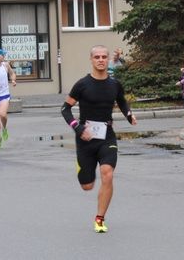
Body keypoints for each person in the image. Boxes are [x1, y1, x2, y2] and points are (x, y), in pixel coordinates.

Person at [61, 45, 137, 233]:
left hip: (107, 136)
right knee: (87, 186)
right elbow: (65, 109)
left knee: (107, 173)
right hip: (85, 138)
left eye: (104, 56)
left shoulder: (114, 84)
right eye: (97, 57)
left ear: (108, 59)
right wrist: (77, 128)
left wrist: (129, 115)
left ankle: (100, 219)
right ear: (91, 60)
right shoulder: (82, 84)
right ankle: (82, 168)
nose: (101, 60)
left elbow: (121, 100)